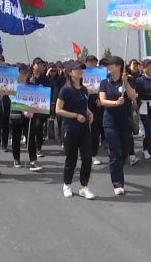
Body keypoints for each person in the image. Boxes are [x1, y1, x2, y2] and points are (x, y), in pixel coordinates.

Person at [56, 61, 96, 199]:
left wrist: (89, 113)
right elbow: (58, 110)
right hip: (70, 128)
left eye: (81, 69)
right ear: (69, 72)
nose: (79, 71)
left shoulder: (84, 89)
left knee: (87, 158)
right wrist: (75, 116)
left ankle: (84, 186)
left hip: (84, 129)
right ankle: (67, 184)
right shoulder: (65, 89)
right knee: (71, 159)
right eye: (76, 69)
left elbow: (84, 106)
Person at [99, 56, 137, 196]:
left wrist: (126, 83)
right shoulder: (104, 82)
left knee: (124, 151)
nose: (108, 67)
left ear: (119, 66)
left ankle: (116, 168)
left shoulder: (129, 79)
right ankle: (117, 183)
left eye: (110, 64)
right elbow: (102, 101)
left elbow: (133, 97)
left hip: (125, 121)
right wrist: (115, 103)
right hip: (110, 121)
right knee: (115, 152)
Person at [10, 64, 43, 172]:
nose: (24, 75)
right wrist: (23, 110)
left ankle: (32, 160)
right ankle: (16, 159)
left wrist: (32, 109)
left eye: (26, 73)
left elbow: (35, 100)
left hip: (29, 115)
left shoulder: (31, 85)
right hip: (16, 114)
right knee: (16, 137)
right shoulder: (12, 85)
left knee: (30, 137)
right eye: (22, 73)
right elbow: (13, 99)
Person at [28, 57, 51, 158]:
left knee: (39, 126)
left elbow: (48, 92)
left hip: (41, 108)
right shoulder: (28, 77)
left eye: (42, 64)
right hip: (29, 107)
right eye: (38, 64)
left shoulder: (45, 79)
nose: (41, 66)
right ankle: (31, 147)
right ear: (33, 65)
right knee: (30, 128)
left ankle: (38, 147)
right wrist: (30, 83)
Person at [85, 55, 104, 165]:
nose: (92, 64)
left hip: (96, 103)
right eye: (90, 62)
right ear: (86, 63)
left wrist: (99, 98)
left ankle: (93, 154)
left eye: (94, 62)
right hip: (83, 102)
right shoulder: (81, 73)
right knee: (84, 130)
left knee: (95, 130)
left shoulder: (101, 74)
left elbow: (103, 88)